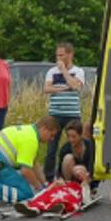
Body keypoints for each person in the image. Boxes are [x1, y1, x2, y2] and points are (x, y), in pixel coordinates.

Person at [0, 117, 60, 203]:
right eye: (51, 135)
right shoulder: (31, 140)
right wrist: (40, 190)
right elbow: (25, 171)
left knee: (26, 185)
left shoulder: (29, 130)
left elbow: (34, 163)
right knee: (27, 193)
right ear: (44, 128)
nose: (52, 139)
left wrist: (45, 184)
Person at [42, 42, 85, 180]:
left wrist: (65, 71)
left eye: (61, 55)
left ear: (70, 54)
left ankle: (77, 175)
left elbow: (76, 86)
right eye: (57, 55)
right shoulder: (52, 72)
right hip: (55, 113)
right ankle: (48, 178)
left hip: (72, 113)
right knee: (51, 148)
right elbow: (46, 89)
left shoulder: (78, 71)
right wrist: (63, 89)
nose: (58, 58)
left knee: (76, 144)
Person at [55, 119, 95, 185]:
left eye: (74, 136)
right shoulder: (65, 148)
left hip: (87, 176)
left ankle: (87, 188)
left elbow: (93, 166)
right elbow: (59, 170)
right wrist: (59, 179)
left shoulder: (90, 146)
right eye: (68, 136)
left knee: (79, 169)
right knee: (68, 158)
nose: (71, 139)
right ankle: (68, 185)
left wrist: (89, 177)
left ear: (81, 135)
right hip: (71, 175)